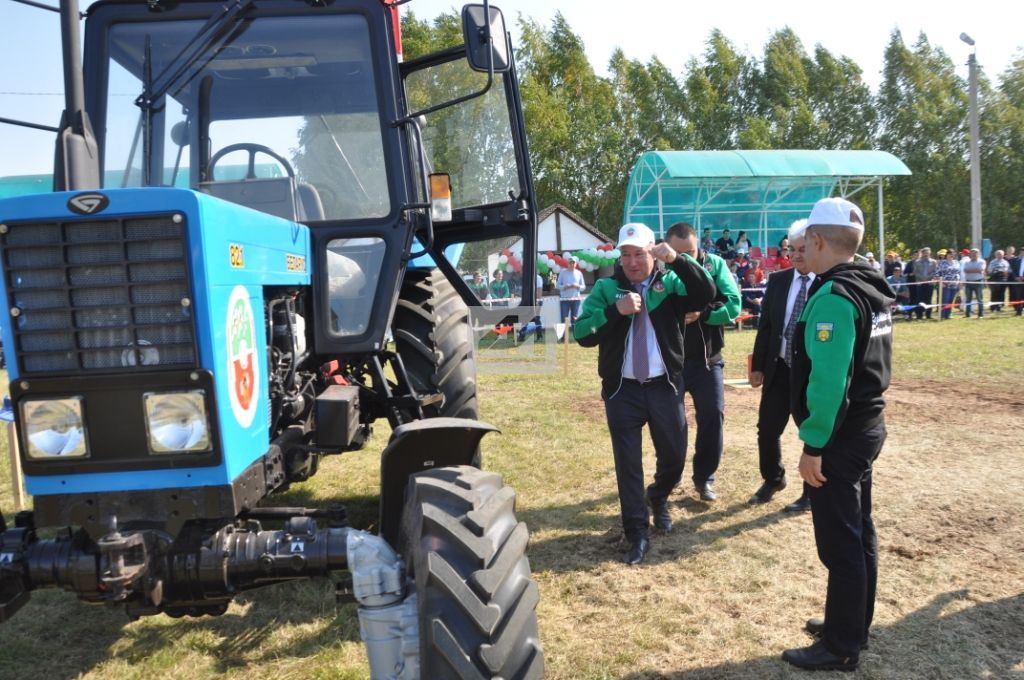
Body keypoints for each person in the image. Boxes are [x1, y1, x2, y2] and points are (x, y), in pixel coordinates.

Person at [781, 197, 893, 672]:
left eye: (806, 240)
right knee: (858, 532)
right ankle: (850, 623)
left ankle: (841, 645)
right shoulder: (868, 285)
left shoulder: (834, 296)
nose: (802, 247)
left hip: (840, 438)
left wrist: (814, 446)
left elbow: (829, 382)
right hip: (867, 427)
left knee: (840, 543)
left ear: (819, 240)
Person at [574, 222, 716, 565]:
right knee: (628, 465)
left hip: (664, 387)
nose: (632, 261)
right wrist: (614, 312)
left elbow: (707, 294)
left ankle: (659, 495)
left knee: (675, 454)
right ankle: (636, 532)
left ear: (653, 252)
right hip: (623, 392)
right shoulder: (608, 289)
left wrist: (679, 260)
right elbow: (582, 333)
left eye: (639, 253)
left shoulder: (670, 284)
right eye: (626, 255)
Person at [664, 222, 741, 502]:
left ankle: (704, 478)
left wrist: (705, 314)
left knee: (713, 416)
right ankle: (672, 475)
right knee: (671, 423)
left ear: (700, 247)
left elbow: (734, 305)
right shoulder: (661, 269)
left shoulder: (716, 265)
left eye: (690, 253)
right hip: (670, 363)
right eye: (677, 254)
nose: (683, 259)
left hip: (708, 360)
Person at [748, 221, 816, 511]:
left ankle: (811, 492)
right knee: (767, 429)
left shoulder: (829, 283)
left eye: (804, 249)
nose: (797, 255)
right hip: (779, 369)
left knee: (812, 433)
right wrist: (758, 366)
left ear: (815, 248)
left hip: (811, 374)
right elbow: (766, 327)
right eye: (793, 249)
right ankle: (773, 479)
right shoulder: (778, 281)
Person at [556, 256, 586, 328]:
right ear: (568, 264)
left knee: (574, 319)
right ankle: (563, 337)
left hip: (576, 299)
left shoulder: (579, 273)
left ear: (576, 264)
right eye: (570, 263)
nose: (572, 264)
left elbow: (583, 287)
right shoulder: (563, 272)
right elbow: (557, 285)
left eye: (573, 263)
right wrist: (565, 286)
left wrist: (577, 286)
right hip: (564, 299)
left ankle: (575, 336)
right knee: (564, 318)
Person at [910, 247, 937, 319]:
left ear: (929, 253)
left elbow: (935, 272)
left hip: (929, 283)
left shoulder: (934, 262)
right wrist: (922, 278)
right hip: (920, 283)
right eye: (924, 253)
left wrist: (928, 278)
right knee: (919, 299)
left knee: (928, 299)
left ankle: (928, 315)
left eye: (927, 253)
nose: (926, 255)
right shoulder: (917, 262)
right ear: (922, 253)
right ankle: (919, 315)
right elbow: (916, 272)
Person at [935, 249, 961, 320]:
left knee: (951, 300)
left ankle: (948, 315)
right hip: (945, 285)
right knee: (945, 300)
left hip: (955, 284)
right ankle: (942, 315)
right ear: (947, 254)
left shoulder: (957, 262)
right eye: (950, 254)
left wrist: (959, 281)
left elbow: (959, 273)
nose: (951, 255)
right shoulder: (942, 263)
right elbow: (937, 273)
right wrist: (941, 282)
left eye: (952, 254)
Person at [961, 248, 986, 317]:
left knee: (979, 299)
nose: (974, 254)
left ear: (978, 254)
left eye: (975, 253)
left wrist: (971, 270)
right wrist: (976, 270)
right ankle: (967, 314)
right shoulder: (967, 262)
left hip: (978, 282)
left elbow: (981, 270)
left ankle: (981, 314)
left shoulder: (982, 261)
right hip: (968, 282)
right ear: (970, 254)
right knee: (968, 299)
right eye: (972, 253)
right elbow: (965, 270)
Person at [1007, 247, 1024, 315]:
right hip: (1017, 281)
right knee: (1018, 296)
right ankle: (1019, 311)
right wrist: (1016, 277)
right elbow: (1012, 270)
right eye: (1022, 251)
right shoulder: (1016, 260)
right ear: (1020, 252)